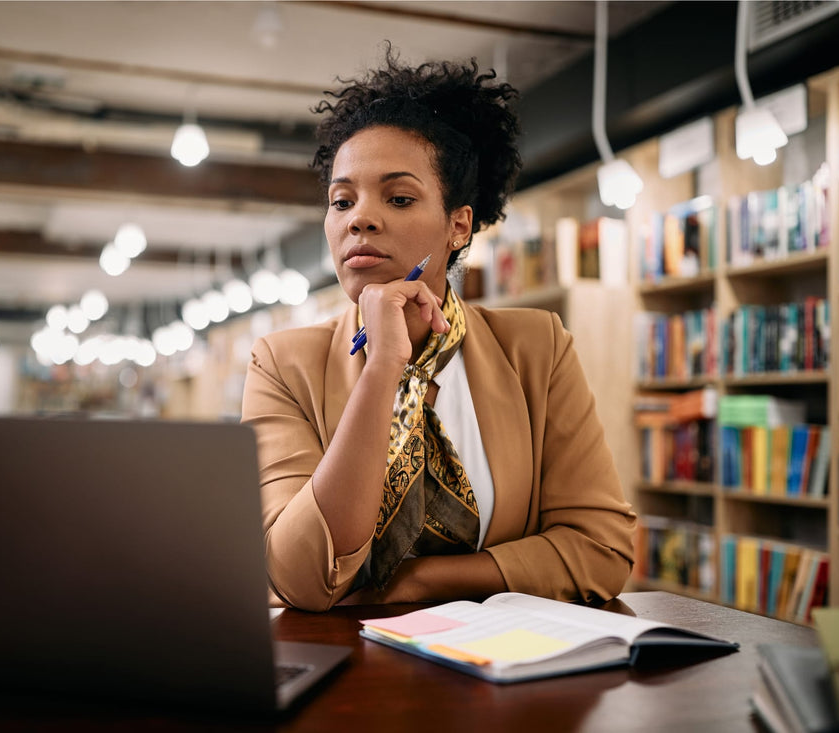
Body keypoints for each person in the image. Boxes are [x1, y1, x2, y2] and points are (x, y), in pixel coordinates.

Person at [241, 50, 636, 612]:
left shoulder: (537, 348)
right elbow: (301, 576)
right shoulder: (282, 363)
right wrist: (381, 371)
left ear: (458, 225)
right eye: (341, 200)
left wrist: (419, 583)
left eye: (399, 198)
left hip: (505, 675)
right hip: (345, 681)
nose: (359, 219)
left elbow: (601, 548)